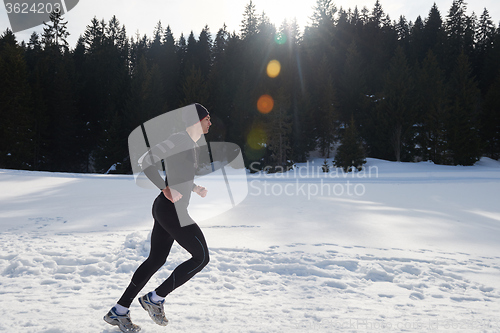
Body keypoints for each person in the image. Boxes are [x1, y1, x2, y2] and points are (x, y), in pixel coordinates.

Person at [104, 104, 212, 332]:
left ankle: (119, 311)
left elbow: (179, 175)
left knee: (156, 260)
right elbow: (146, 160)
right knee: (201, 257)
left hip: (169, 209)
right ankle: (155, 298)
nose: (210, 123)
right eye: (207, 119)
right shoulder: (179, 139)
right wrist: (164, 188)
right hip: (170, 210)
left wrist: (194, 188)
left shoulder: (191, 145)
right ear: (196, 120)